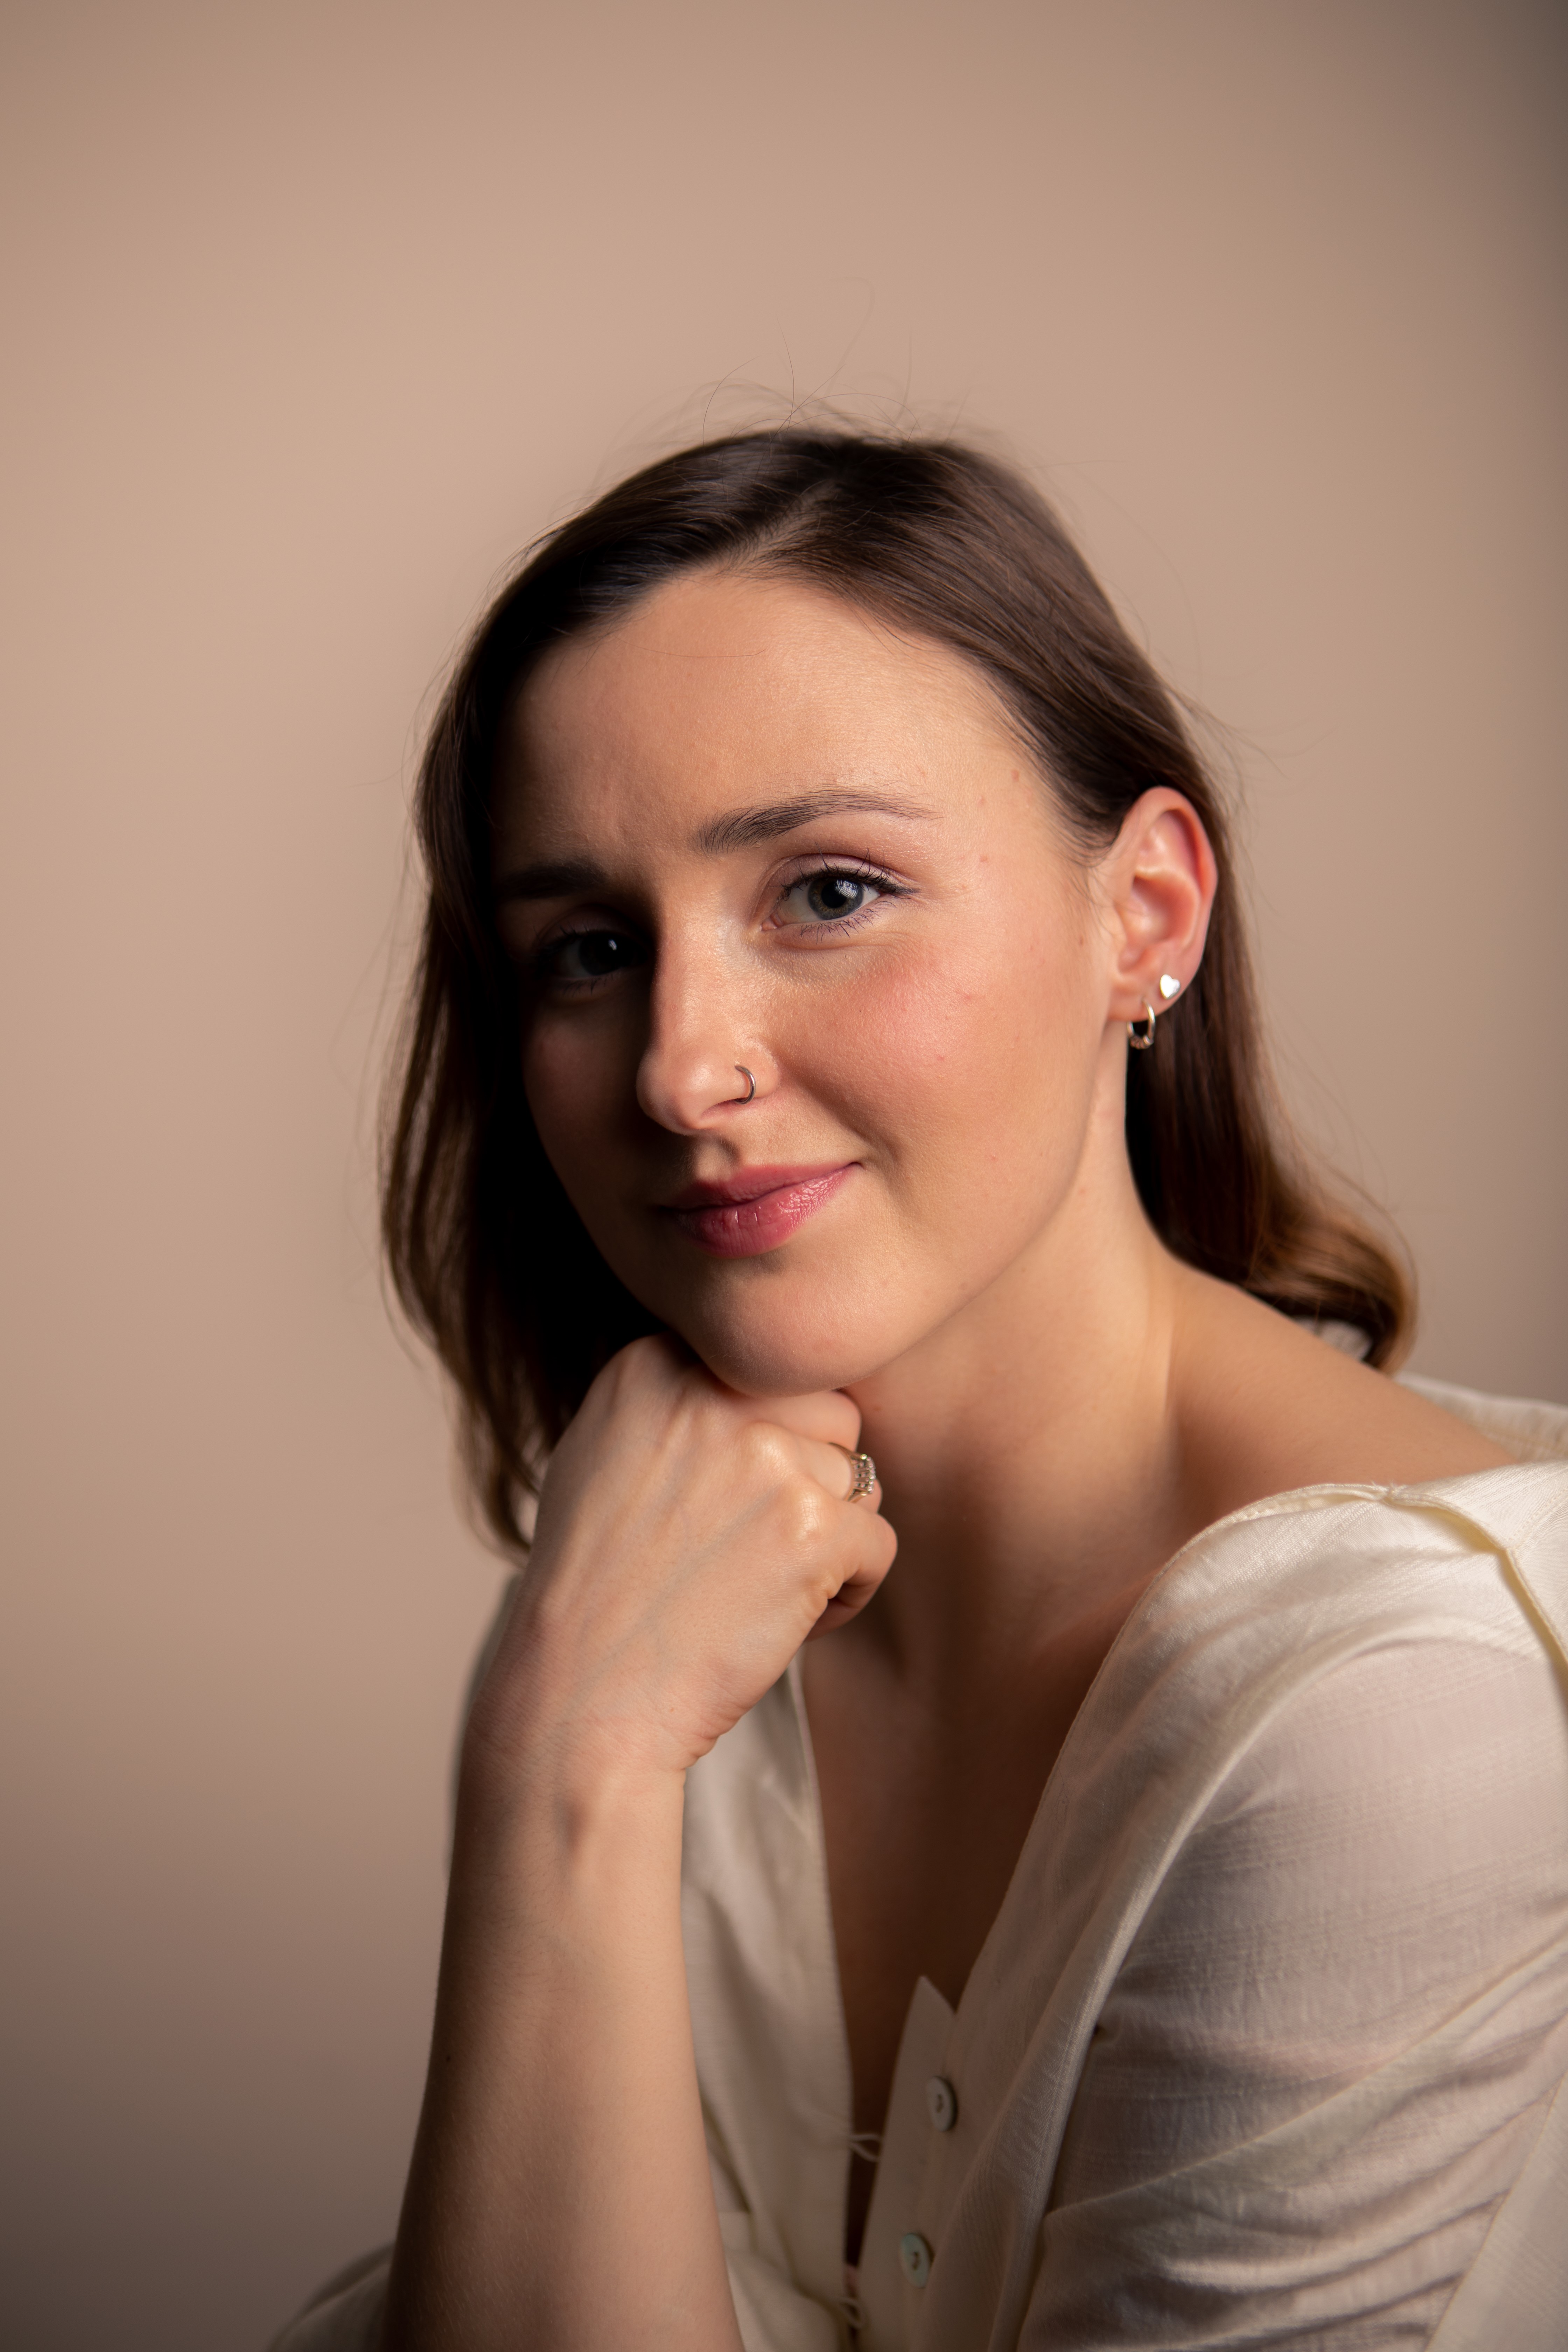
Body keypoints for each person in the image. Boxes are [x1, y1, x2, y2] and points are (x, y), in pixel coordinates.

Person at [271, 429, 1568, 2352]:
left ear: (1146, 915)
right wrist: (570, 1747)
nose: (679, 1068)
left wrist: (561, 1762)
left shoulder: (1405, 1719)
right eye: (592, 949)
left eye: (829, 892)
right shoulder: (680, 1571)